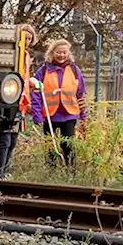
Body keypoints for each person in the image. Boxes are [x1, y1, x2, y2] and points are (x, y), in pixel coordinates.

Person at [30, 38, 86, 166]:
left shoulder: (74, 70)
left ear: (68, 53)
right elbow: (36, 95)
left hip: (69, 113)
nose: (61, 55)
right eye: (58, 52)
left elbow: (81, 93)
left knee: (68, 144)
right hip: (50, 115)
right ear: (52, 53)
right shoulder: (43, 71)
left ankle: (71, 171)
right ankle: (51, 170)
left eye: (64, 53)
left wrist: (84, 114)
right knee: (50, 145)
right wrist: (37, 115)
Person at [0, 23, 39, 178]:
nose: (26, 40)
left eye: (29, 38)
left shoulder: (26, 56)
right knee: (5, 139)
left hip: (21, 103)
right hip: (8, 101)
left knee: (12, 140)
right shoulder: (10, 54)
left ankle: (5, 170)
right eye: (24, 37)